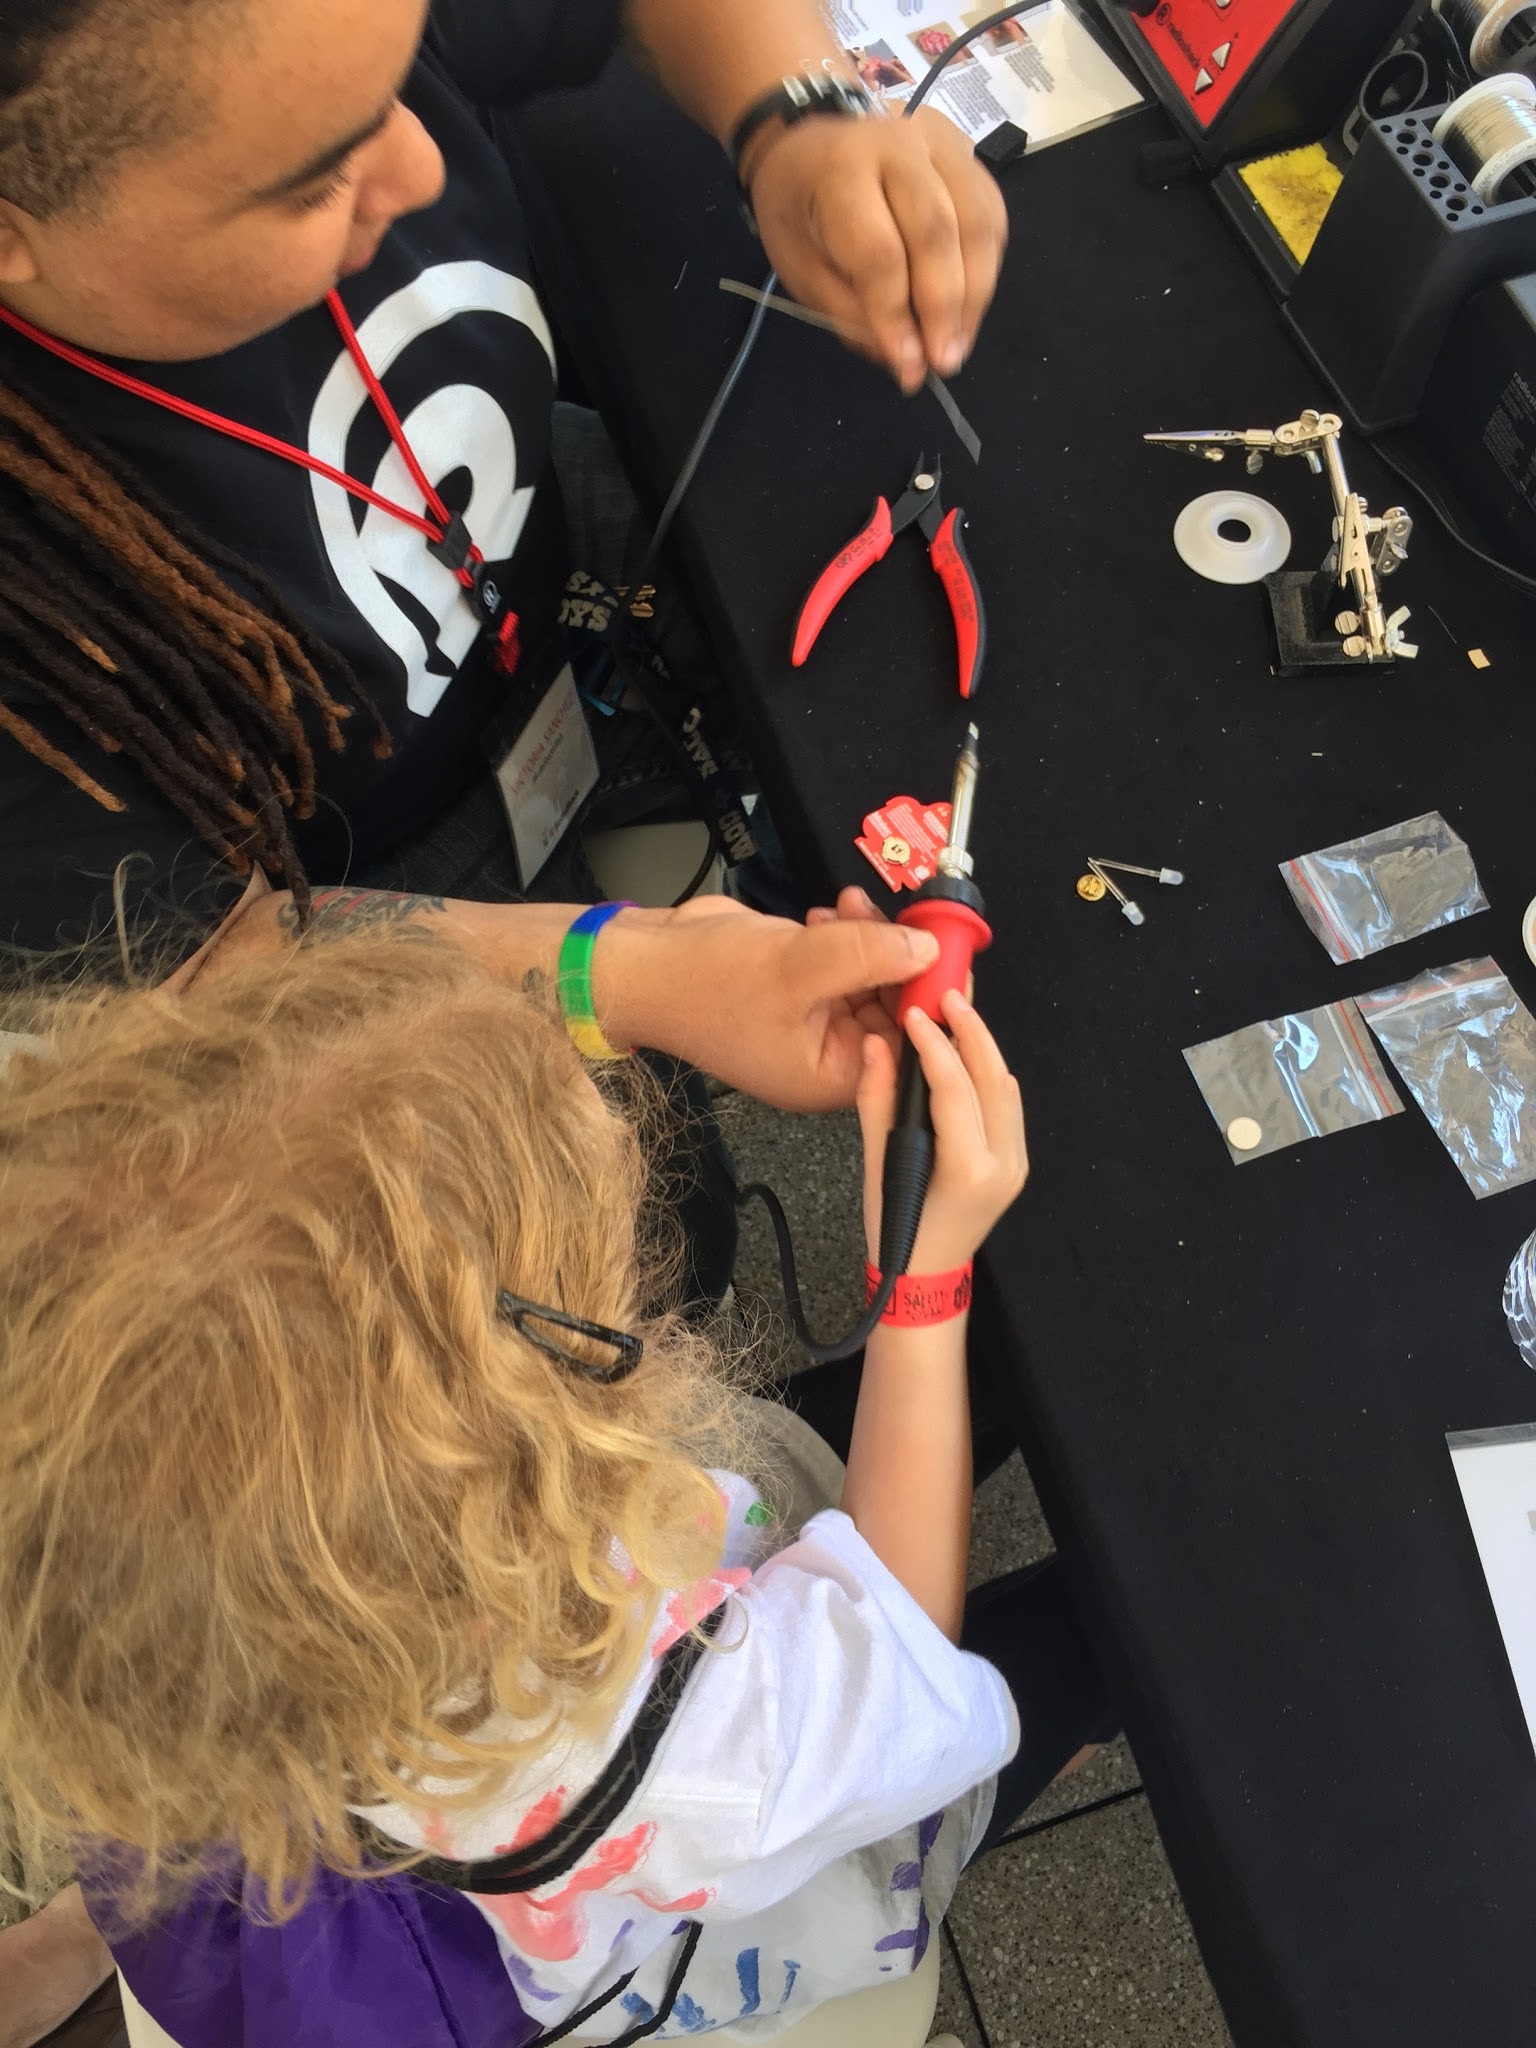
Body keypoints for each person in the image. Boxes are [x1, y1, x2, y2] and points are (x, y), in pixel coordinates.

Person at [0, 936, 1113, 2046]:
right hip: (786, 1823)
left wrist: (643, 978)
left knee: (950, 1409)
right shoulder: (623, 1747)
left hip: (423, 1763)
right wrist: (921, 1288)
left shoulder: (196, 1583)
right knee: (1112, 1631)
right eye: (599, 1238)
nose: (623, 1130)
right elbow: (895, 1652)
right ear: (512, 1468)